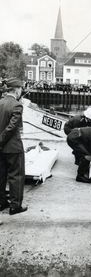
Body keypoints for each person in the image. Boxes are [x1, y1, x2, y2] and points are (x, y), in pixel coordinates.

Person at [0, 77, 28, 215]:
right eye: (20, 88)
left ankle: (1, 202)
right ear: (16, 89)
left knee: (1, 175)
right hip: (13, 147)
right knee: (16, 176)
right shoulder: (17, 105)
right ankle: (15, 206)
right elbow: (11, 128)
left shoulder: (0, 103)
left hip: (1, 149)